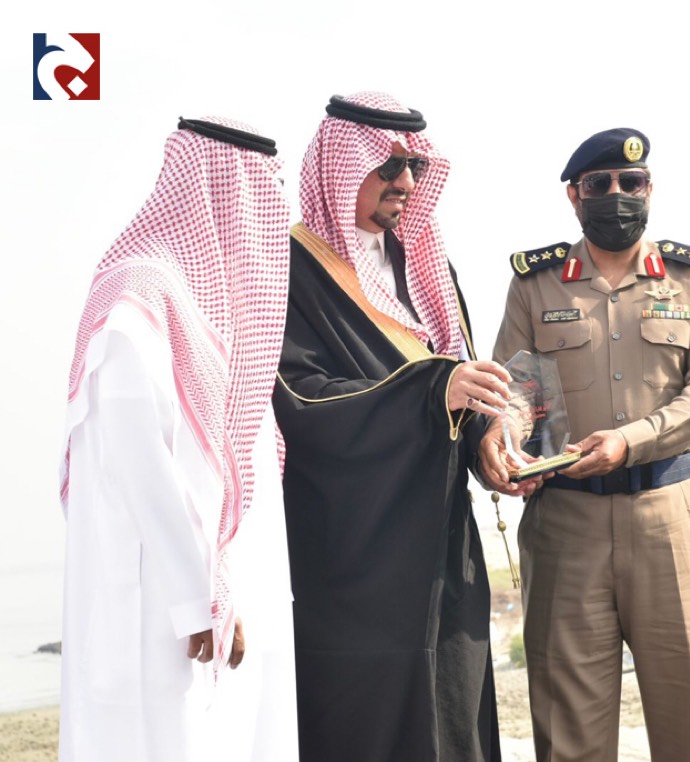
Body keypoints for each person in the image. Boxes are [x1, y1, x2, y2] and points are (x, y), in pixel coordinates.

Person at [480, 127, 690, 762]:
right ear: (575, 195)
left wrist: (630, 441)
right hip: (566, 525)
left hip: (673, 522)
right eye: (600, 184)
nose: (617, 194)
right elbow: (516, 388)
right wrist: (505, 440)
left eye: (632, 182)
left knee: (689, 727)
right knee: (569, 736)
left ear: (650, 190)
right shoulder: (536, 283)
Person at [272, 92, 503, 761]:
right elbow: (301, 399)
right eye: (388, 164)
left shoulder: (427, 266)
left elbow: (462, 375)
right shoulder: (290, 268)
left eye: (415, 167)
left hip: (443, 540)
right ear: (341, 167)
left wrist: (488, 439)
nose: (405, 181)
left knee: (454, 707)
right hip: (354, 551)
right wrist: (433, 392)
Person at [59, 117, 297, 761]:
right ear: (225, 189)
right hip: (164, 607)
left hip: (230, 594)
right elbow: (142, 464)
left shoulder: (210, 306)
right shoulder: (138, 297)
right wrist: (199, 599)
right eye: (262, 190)